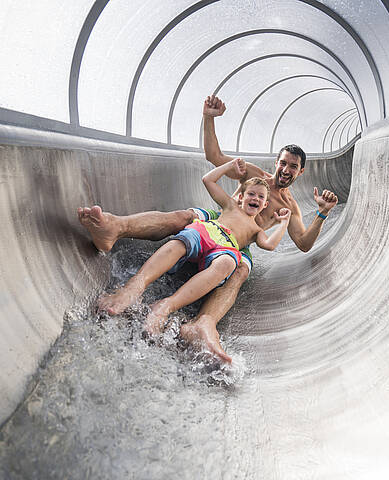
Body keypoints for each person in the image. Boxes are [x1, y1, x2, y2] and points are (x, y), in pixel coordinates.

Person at [78, 95, 338, 362]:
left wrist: (322, 213)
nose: (285, 169)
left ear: (301, 172)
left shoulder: (290, 206)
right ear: (276, 162)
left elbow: (304, 243)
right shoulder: (253, 175)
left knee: (239, 271)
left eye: (292, 167)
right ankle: (115, 227)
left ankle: (204, 324)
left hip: (241, 242)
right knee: (184, 217)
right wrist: (209, 117)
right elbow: (213, 157)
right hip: (219, 218)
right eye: (283, 163)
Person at [97, 157, 291, 337]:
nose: (255, 199)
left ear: (265, 205)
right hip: (208, 230)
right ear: (241, 197)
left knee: (227, 265)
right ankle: (135, 286)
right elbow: (208, 180)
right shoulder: (230, 206)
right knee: (185, 239)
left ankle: (166, 306)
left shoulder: (256, 229)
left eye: (260, 197)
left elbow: (270, 244)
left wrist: (283, 223)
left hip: (226, 248)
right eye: (251, 194)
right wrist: (228, 166)